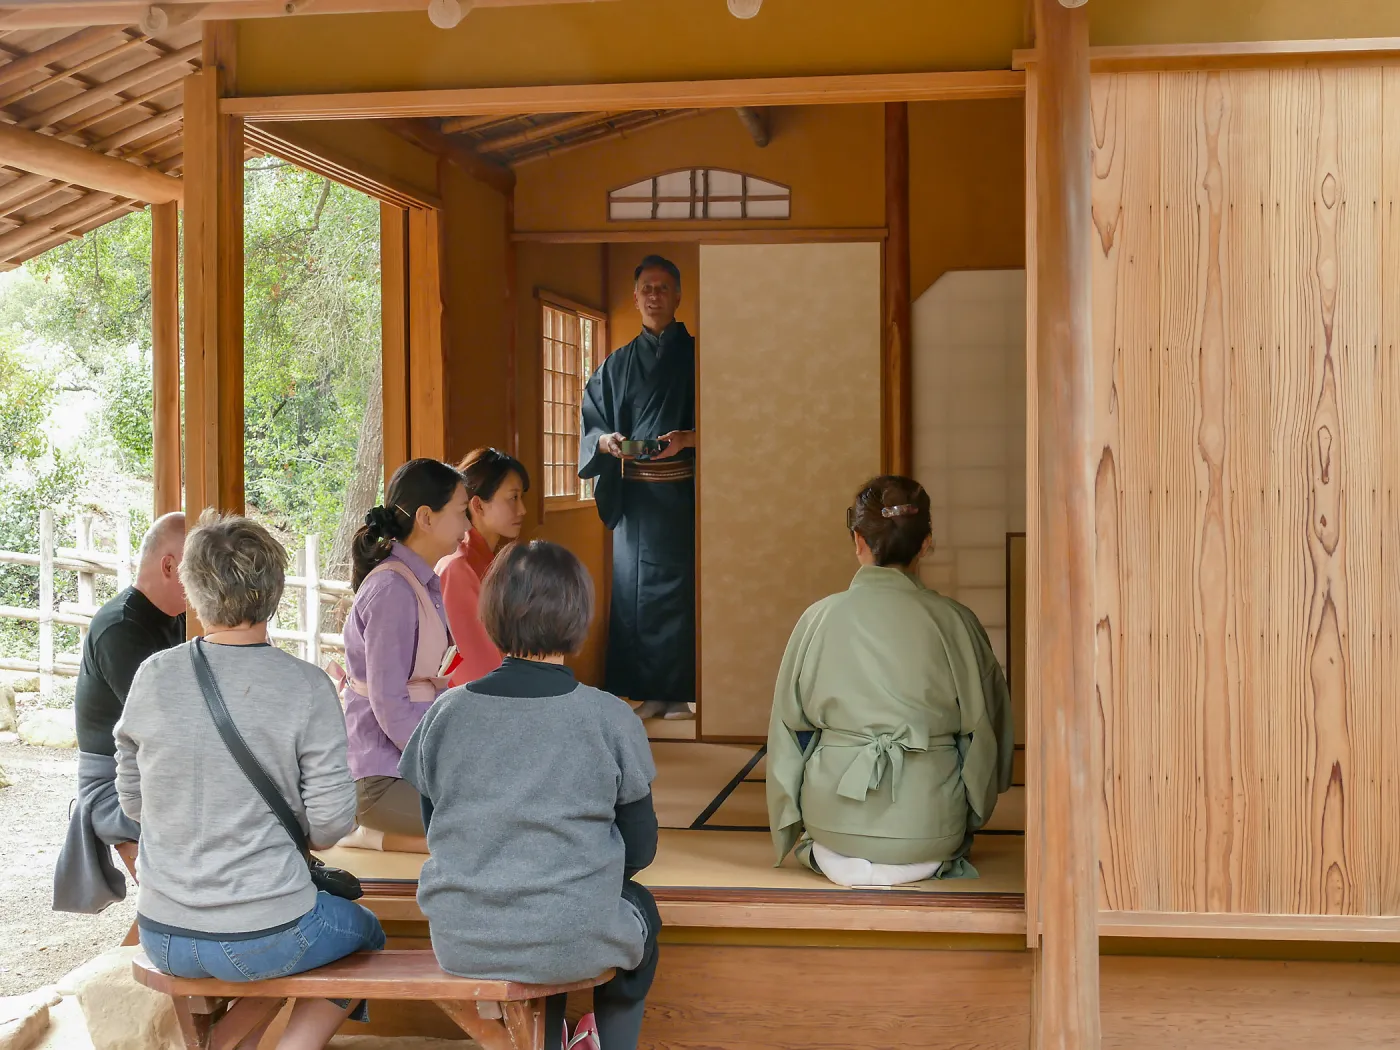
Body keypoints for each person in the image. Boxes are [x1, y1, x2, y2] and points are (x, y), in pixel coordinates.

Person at [115, 511, 384, 1050]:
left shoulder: (153, 675)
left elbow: (133, 801)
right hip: (268, 930)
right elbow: (330, 827)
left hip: (163, 930)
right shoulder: (306, 688)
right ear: (275, 591)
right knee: (365, 934)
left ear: (191, 588)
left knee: (265, 950)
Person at [401, 540, 660, 1050]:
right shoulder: (608, 716)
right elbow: (642, 847)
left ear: (491, 615)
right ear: (579, 617)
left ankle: (551, 1039)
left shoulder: (446, 714)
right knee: (636, 911)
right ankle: (609, 1041)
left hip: (462, 936)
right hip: (572, 932)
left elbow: (436, 829)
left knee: (563, 908)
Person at [766, 476, 1014, 887]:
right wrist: (971, 810)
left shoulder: (819, 618)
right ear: (926, 542)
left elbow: (787, 733)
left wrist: (790, 819)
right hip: (930, 831)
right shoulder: (955, 621)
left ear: (858, 541)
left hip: (834, 831)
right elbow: (989, 732)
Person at [578, 254, 696, 721]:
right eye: (646, 288)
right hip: (636, 505)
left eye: (663, 288)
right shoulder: (618, 364)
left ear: (678, 296)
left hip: (686, 500)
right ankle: (647, 693)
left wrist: (691, 438)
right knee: (634, 594)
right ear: (635, 297)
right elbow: (592, 425)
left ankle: (682, 693)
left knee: (682, 595)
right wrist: (606, 442)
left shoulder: (700, 356)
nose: (654, 296)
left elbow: (732, 418)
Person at [53, 512, 186, 915]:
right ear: (169, 565)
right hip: (114, 784)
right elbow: (165, 726)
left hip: (156, 768)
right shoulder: (120, 628)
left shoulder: (180, 618)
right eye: (200, 563)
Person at [339, 457, 467, 851]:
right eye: (462, 512)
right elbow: (388, 702)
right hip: (383, 778)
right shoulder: (392, 590)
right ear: (426, 517)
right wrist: (439, 766)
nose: (467, 526)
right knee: (484, 824)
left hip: (414, 765)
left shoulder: (418, 580)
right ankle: (374, 835)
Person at [436, 447, 529, 688]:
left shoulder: (485, 559)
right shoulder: (458, 567)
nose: (523, 510)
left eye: (522, 498)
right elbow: (475, 672)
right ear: (477, 505)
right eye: (513, 498)